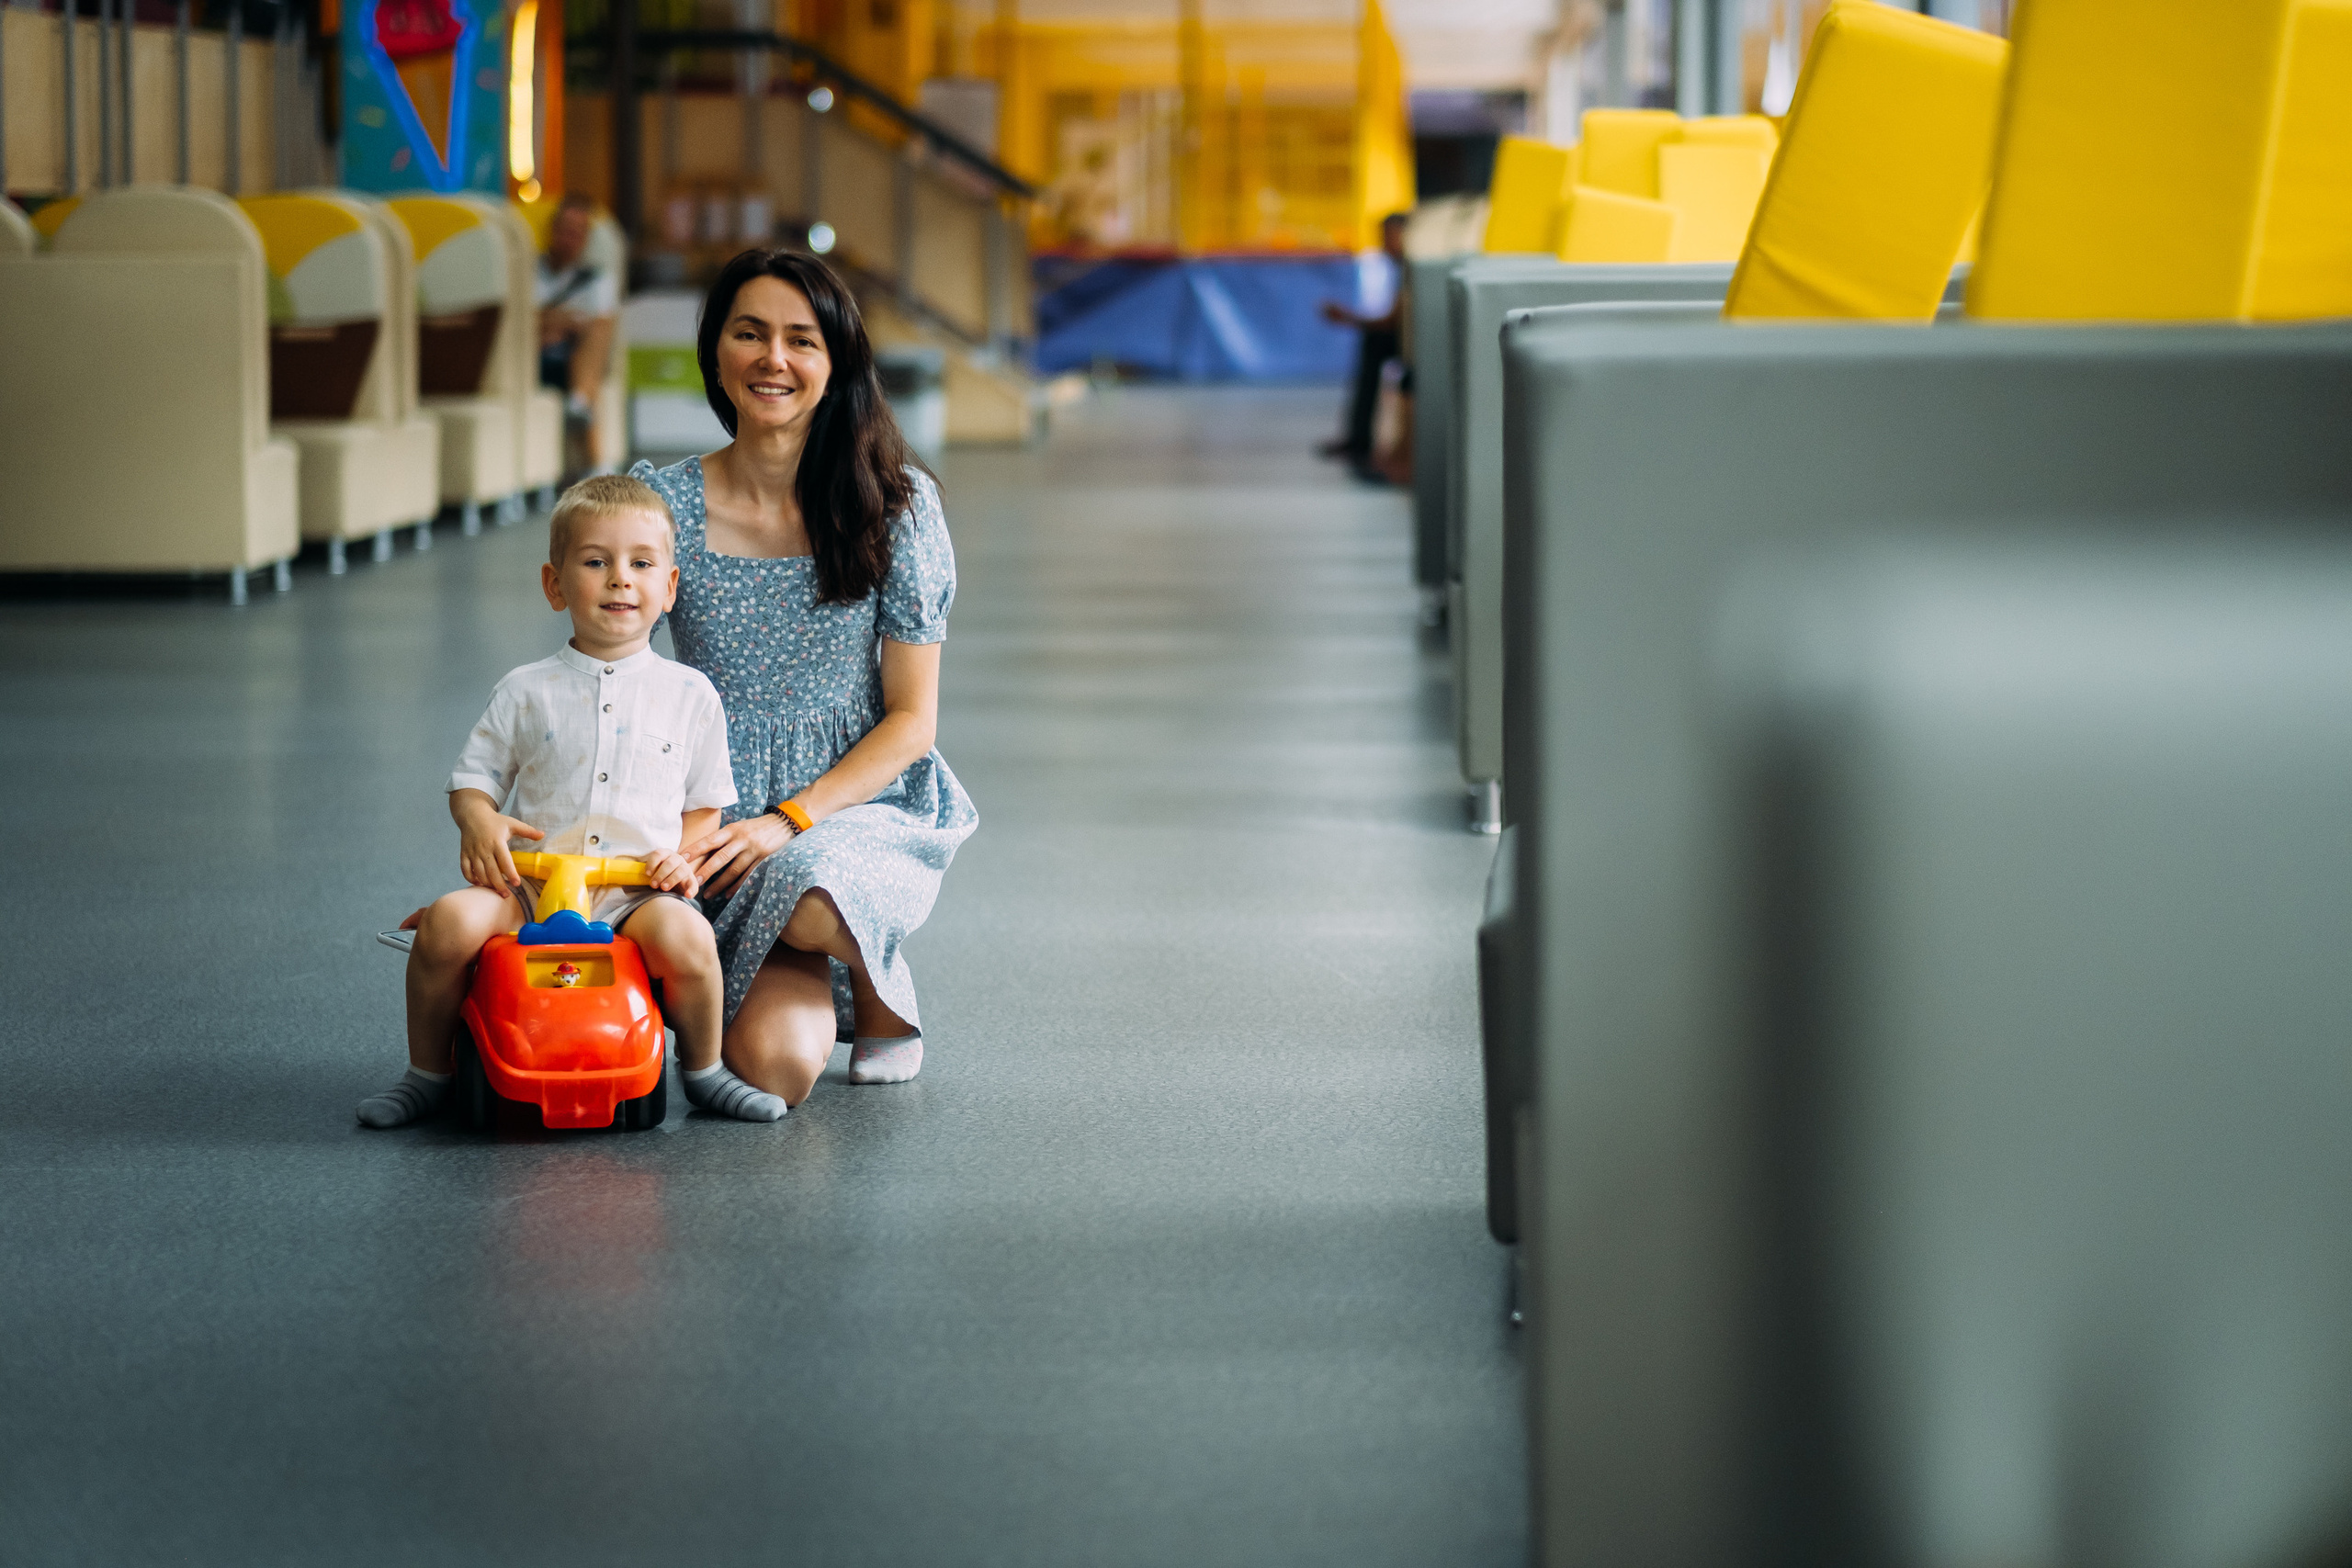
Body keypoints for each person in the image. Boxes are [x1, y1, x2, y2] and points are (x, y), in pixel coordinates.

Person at [629, 249, 977, 1109]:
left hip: (853, 806)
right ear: (717, 352)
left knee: (813, 886)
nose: (772, 360)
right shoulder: (659, 503)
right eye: (749, 334)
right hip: (712, 811)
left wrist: (789, 820)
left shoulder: (895, 505)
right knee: (775, 1072)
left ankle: (880, 996)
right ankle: (790, 958)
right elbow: (610, 670)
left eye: (801, 340)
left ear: (837, 364)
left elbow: (911, 721)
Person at [356, 475, 792, 1128]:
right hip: (526, 884)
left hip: (634, 892)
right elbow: (473, 780)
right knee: (447, 924)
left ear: (669, 587)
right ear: (554, 584)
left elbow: (705, 805)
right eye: (596, 562)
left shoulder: (690, 694)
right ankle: (428, 1072)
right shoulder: (525, 690)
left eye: (641, 564)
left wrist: (679, 857)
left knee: (691, 938)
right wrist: (477, 820)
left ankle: (703, 1068)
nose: (621, 579)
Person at [1317, 211, 1410, 476]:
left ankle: (1361, 442)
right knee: (1372, 345)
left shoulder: (1411, 270)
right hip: (1402, 339)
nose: (1383, 244)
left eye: (1388, 237)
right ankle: (1358, 440)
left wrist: (1347, 317)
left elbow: (1392, 321)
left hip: (1417, 346)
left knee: (1375, 344)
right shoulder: (1399, 269)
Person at [537, 194, 620, 474]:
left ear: (585, 239)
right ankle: (597, 461)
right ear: (552, 229)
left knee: (598, 333)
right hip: (536, 359)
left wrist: (557, 323)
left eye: (577, 233)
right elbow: (520, 323)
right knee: (590, 343)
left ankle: (579, 402)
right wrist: (563, 322)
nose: (569, 239)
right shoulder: (529, 271)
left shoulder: (596, 279)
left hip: (574, 359)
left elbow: (601, 324)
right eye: (564, 230)